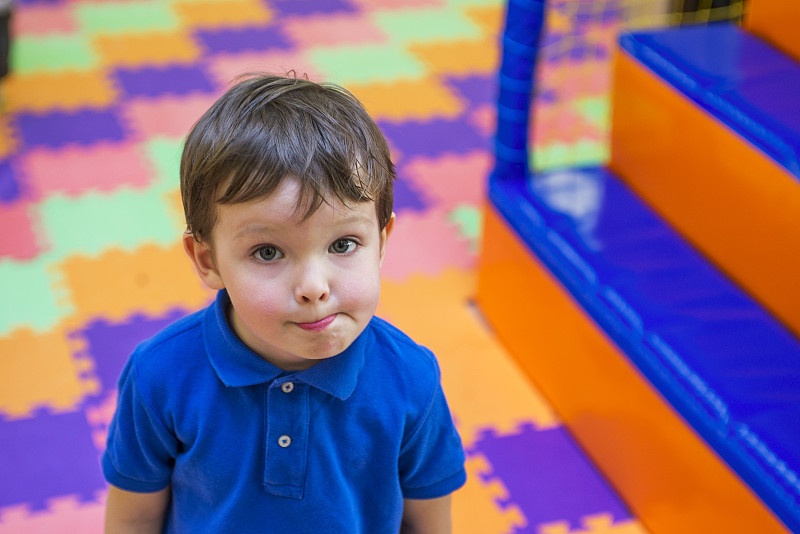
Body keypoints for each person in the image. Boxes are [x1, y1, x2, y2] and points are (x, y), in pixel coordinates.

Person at [102, 73, 467, 533]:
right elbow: (133, 518)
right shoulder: (160, 375)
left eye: (343, 244)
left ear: (382, 240)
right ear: (208, 260)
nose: (313, 287)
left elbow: (429, 521)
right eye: (268, 252)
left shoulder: (410, 379)